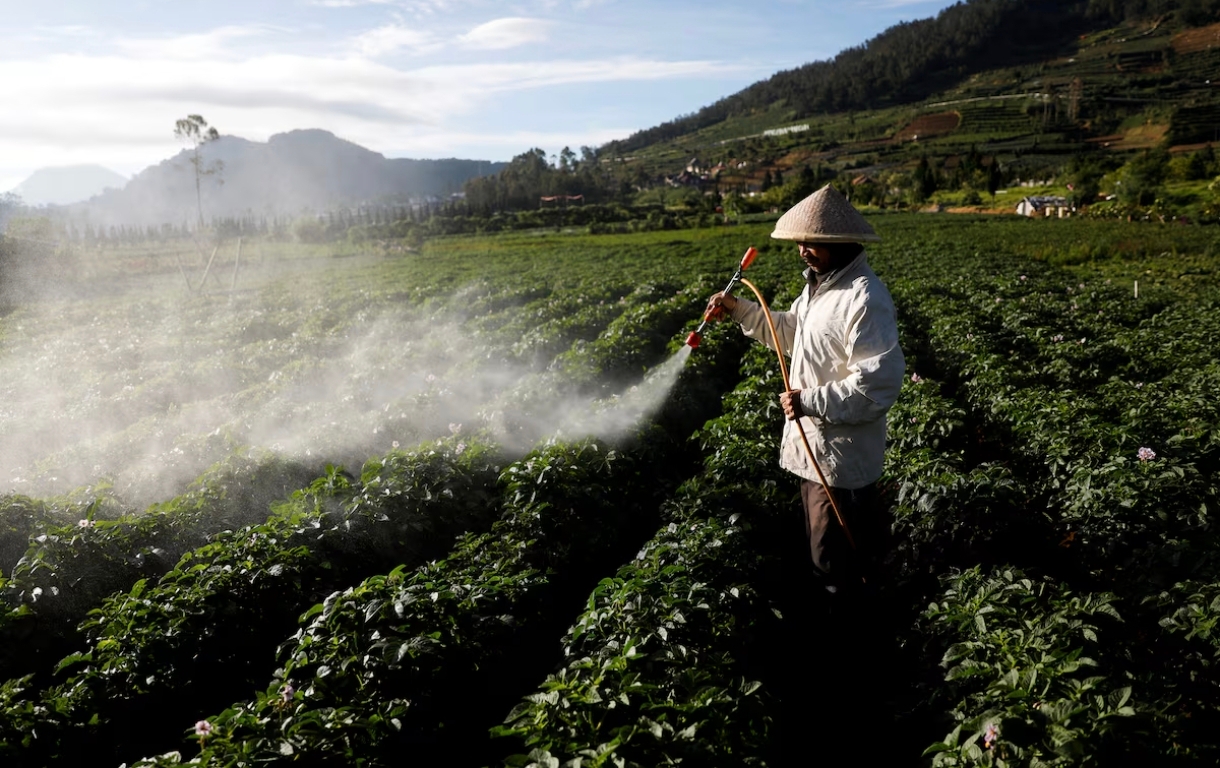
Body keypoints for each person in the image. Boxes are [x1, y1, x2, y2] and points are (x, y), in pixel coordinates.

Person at [706, 184, 904, 595]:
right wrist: (738, 308)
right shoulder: (819, 289)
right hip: (815, 452)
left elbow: (876, 386)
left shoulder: (864, 297)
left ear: (841, 242)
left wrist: (808, 400)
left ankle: (845, 633)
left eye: (811, 243)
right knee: (823, 550)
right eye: (800, 242)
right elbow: (791, 334)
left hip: (839, 461)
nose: (802, 250)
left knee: (834, 560)